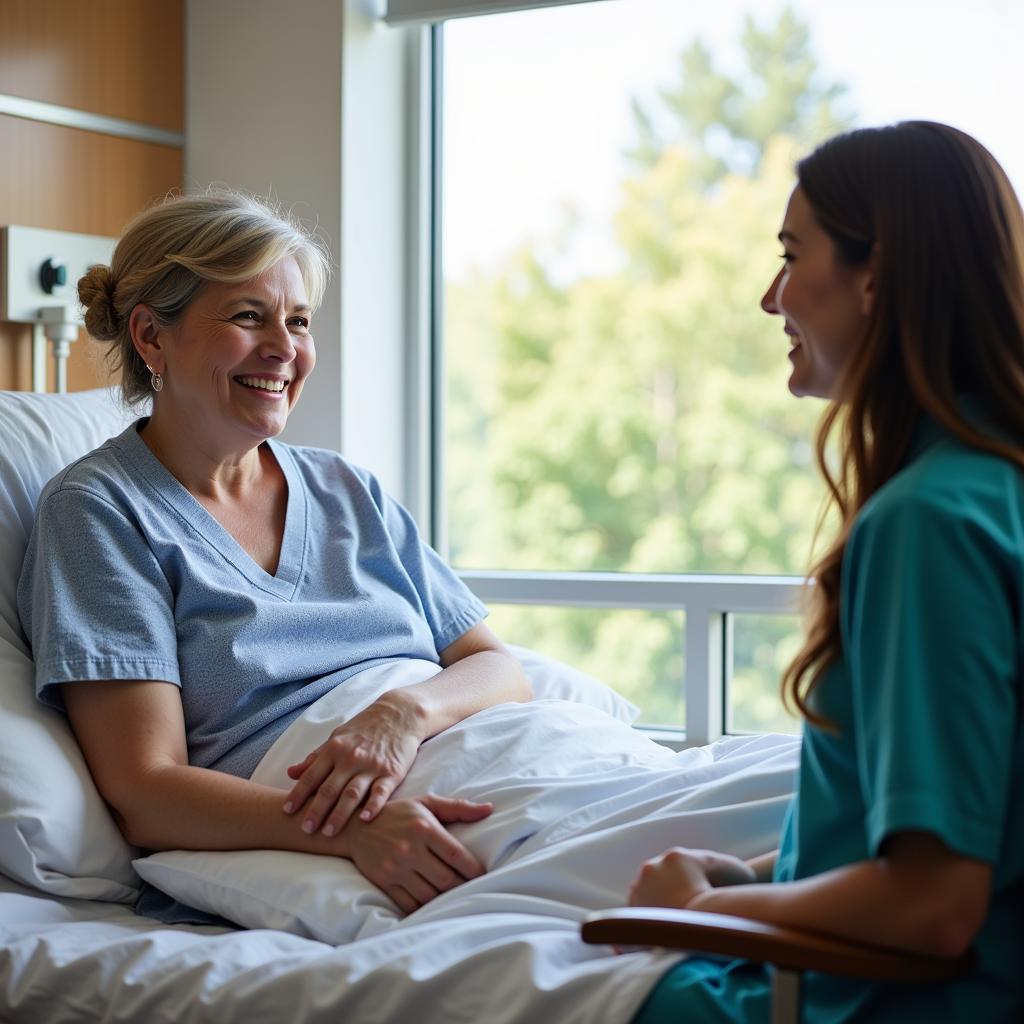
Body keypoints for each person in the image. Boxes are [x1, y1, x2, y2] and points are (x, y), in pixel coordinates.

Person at [16, 191, 531, 918]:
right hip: (348, 802)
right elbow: (144, 788)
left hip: (470, 746)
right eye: (247, 316)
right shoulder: (101, 511)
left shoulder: (347, 488)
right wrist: (351, 829)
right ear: (151, 338)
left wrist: (404, 713)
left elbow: (498, 667)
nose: (285, 349)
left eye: (297, 322)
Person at [627, 121, 1024, 1022]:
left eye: (792, 255)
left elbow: (932, 904)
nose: (772, 298)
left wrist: (705, 913)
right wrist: (750, 877)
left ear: (875, 277)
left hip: (877, 1002)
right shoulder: (996, 485)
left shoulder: (928, 521)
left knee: (428, 980)